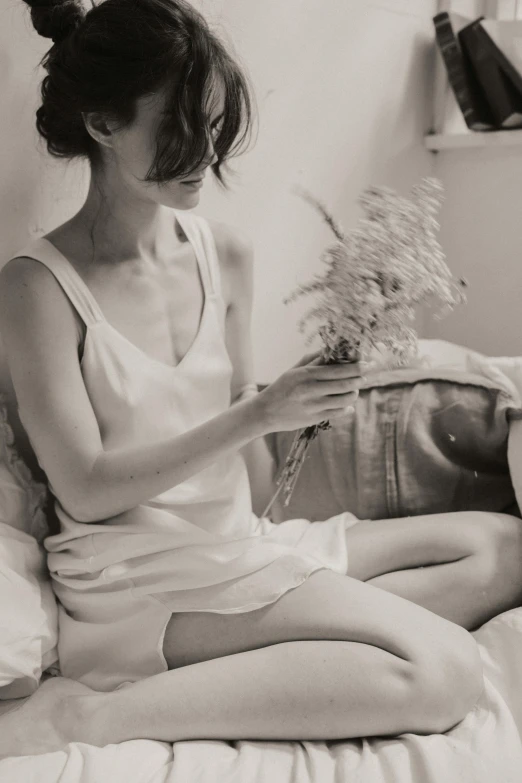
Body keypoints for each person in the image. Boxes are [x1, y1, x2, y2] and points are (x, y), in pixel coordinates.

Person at [2, 0, 522, 758]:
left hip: (237, 541)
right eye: (180, 127)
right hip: (135, 581)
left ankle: (280, 649)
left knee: (502, 544)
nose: (206, 153)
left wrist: (303, 402)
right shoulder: (36, 289)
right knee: (443, 669)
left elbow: (247, 460)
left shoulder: (225, 255)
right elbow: (82, 486)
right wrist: (258, 414)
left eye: (214, 125)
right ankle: (90, 717)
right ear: (103, 124)